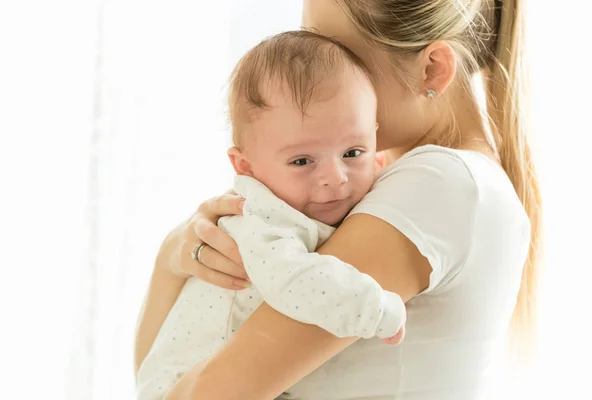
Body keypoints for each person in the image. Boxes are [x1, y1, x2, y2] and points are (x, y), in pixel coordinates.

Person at [135, 0, 542, 398]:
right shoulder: (378, 187)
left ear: (432, 69)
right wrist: (173, 257)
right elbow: (160, 372)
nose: (313, 71)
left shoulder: (438, 184)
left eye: (337, 52)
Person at [135, 30, 406, 400]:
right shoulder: (260, 219)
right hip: (183, 383)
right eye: (302, 161)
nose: (334, 178)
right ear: (245, 166)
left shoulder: (365, 188)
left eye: (352, 152)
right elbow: (295, 281)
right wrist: (376, 310)